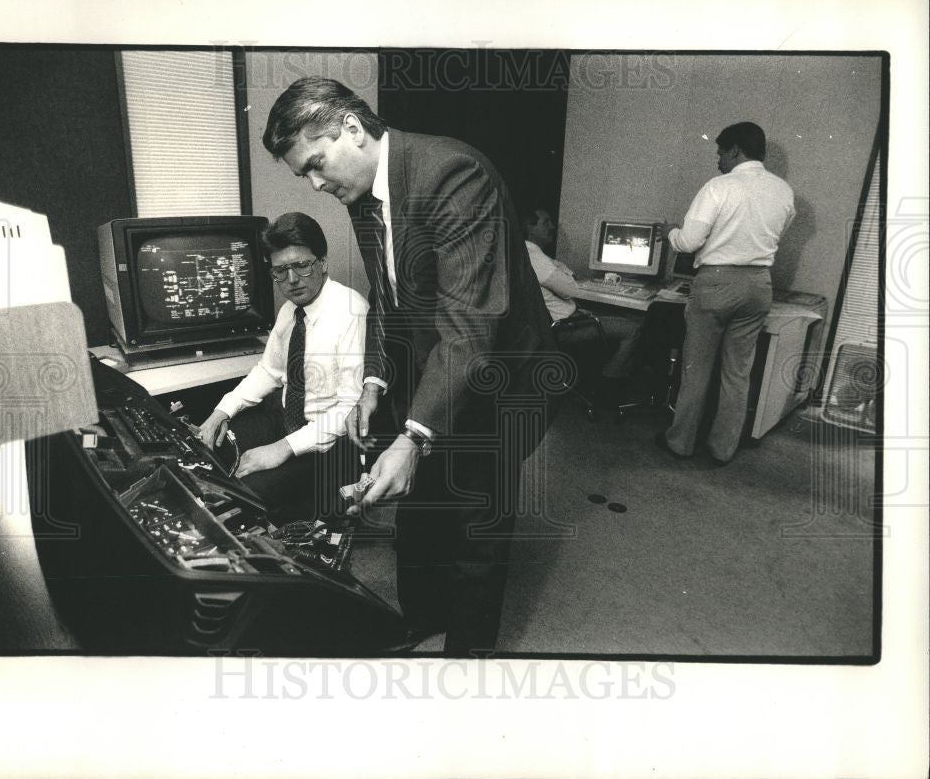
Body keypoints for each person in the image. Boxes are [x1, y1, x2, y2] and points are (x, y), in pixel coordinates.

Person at [262, 77, 559, 656]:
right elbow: (389, 299)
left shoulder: (455, 175)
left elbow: (470, 329)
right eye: (305, 175)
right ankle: (421, 620)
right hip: (439, 369)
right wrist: (376, 379)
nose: (318, 184)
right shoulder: (364, 193)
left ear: (352, 127)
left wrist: (414, 436)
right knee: (419, 518)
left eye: (317, 165)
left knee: (476, 525)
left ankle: (466, 661)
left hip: (504, 378)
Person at [197, 212, 367, 523]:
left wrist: (282, 448)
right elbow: (269, 370)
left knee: (243, 496)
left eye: (302, 265)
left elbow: (351, 409)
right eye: (280, 270)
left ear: (323, 262)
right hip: (286, 418)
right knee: (210, 451)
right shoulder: (291, 311)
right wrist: (223, 410)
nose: (291, 280)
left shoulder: (351, 311)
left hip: (330, 443)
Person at [658, 122, 795, 465]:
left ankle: (681, 443)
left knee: (697, 368)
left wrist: (670, 232)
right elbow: (776, 234)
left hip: (717, 282)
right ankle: (722, 449)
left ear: (735, 150)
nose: (718, 159)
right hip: (760, 284)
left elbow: (690, 242)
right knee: (737, 372)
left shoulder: (719, 186)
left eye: (720, 152)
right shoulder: (783, 192)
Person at [522, 207, 643, 405]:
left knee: (613, 316)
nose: (552, 227)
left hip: (556, 322)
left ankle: (601, 380)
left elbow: (563, 270)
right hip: (563, 327)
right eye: (546, 222)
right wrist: (566, 276)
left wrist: (564, 273)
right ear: (529, 227)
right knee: (634, 329)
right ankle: (605, 390)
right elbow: (571, 289)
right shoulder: (534, 256)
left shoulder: (528, 252)